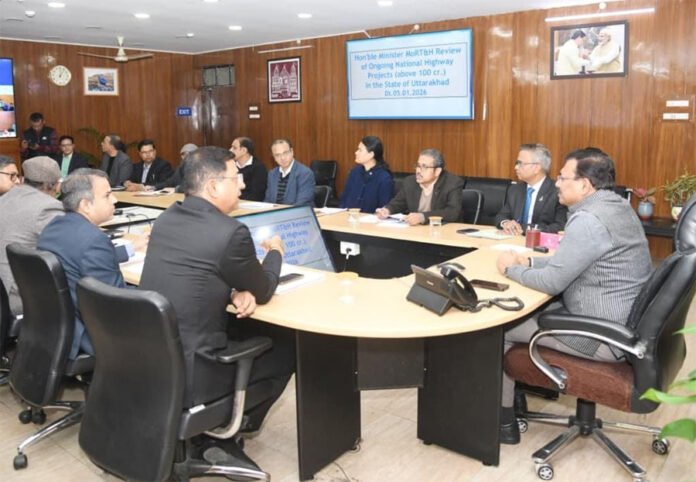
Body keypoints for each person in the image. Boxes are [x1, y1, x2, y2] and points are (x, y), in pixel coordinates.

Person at [495, 147, 652, 444]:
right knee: (531, 311)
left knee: (499, 329)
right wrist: (529, 262)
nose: (556, 183)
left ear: (584, 185)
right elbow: (573, 260)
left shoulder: (588, 219)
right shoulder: (616, 207)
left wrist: (509, 269)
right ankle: (515, 400)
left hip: (600, 334)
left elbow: (553, 281)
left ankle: (502, 424)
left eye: (562, 177)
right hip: (621, 321)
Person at [140, 146, 294, 435]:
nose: (242, 185)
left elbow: (198, 273)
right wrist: (275, 252)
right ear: (213, 186)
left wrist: (234, 290)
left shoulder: (166, 218)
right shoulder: (230, 232)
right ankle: (237, 425)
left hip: (155, 357)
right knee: (288, 347)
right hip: (196, 370)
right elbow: (263, 290)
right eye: (236, 178)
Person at [37, 169, 130, 359]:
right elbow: (115, 304)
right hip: (91, 335)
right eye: (107, 195)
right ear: (86, 205)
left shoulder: (53, 226)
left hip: (57, 326)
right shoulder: (94, 241)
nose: (115, 200)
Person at [0, 156, 64, 316]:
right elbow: (68, 250)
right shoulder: (49, 207)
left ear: (23, 179)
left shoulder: (6, 198)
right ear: (53, 185)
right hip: (17, 297)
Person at [376, 148, 463, 225]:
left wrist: (423, 217)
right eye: (418, 166)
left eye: (424, 167)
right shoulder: (410, 182)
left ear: (437, 171)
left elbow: (452, 212)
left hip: (442, 231)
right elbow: (398, 203)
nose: (418, 171)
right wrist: (387, 210)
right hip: (416, 231)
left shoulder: (452, 183)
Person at [495, 143, 567, 234]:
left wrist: (523, 228)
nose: (516, 167)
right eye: (517, 163)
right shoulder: (515, 189)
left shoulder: (558, 191)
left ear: (536, 168)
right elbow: (501, 215)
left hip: (540, 241)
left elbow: (560, 226)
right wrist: (506, 223)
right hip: (513, 239)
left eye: (520, 163)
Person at [339, 136, 394, 213]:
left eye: (360, 150)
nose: (356, 152)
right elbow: (344, 199)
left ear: (371, 154)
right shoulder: (354, 172)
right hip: (349, 217)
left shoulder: (384, 178)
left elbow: (384, 208)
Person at [264, 138, 315, 206]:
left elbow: (301, 204)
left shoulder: (305, 173)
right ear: (274, 158)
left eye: (285, 153)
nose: (282, 158)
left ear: (292, 152)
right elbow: (267, 201)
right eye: (277, 155)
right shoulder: (272, 174)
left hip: (297, 212)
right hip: (276, 212)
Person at [230, 137, 267, 201]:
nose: (230, 150)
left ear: (244, 150)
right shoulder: (230, 166)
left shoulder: (258, 168)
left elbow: (257, 195)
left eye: (234, 148)